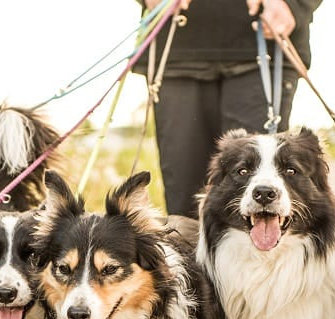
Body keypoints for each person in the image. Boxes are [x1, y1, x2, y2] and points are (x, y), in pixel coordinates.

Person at [138, 0, 324, 217]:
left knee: (262, 202)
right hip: (178, 50)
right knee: (183, 208)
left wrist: (294, 4)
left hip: (265, 44)